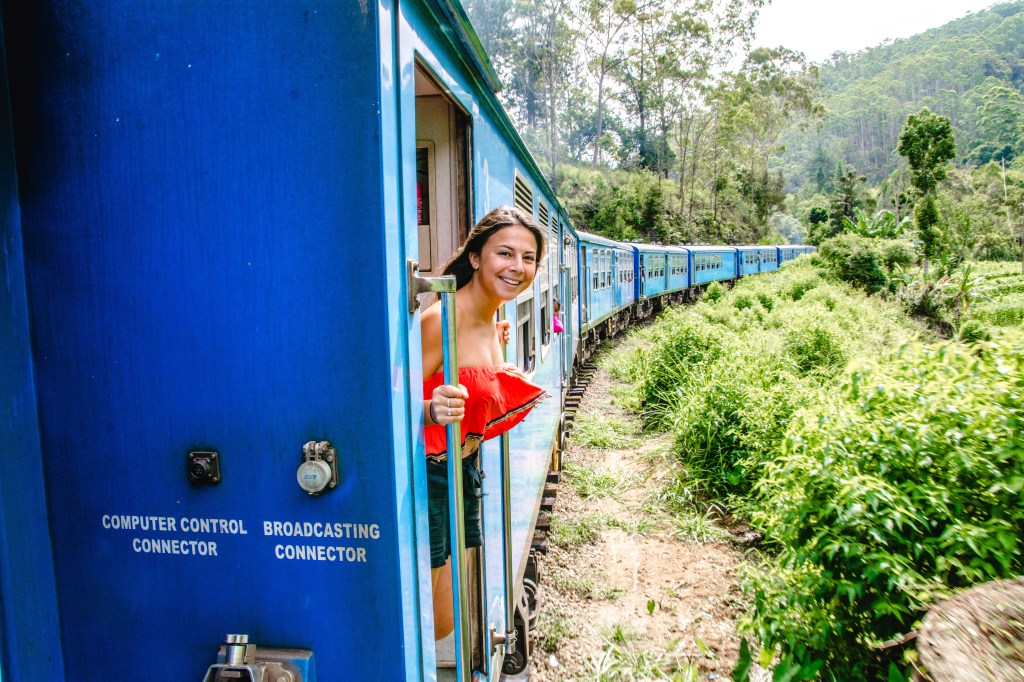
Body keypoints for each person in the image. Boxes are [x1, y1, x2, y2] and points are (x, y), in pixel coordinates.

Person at [420, 205, 548, 640]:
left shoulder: (491, 316)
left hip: (463, 469)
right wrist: (427, 410)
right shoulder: (441, 320)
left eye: (528, 258)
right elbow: (379, 404)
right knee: (432, 623)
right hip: (430, 478)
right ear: (475, 257)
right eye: (505, 254)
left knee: (444, 621)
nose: (518, 267)